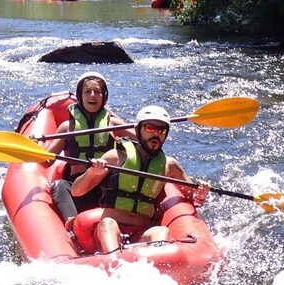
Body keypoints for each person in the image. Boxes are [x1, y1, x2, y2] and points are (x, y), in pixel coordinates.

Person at [70, 105, 209, 253]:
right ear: (138, 130)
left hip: (141, 233)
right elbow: (76, 191)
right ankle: (114, 262)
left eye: (161, 130)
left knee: (159, 231)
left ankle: (154, 266)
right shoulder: (116, 157)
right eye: (150, 128)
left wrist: (200, 192)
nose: (155, 134)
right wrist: (92, 172)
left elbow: (193, 196)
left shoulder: (169, 166)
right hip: (110, 229)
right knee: (108, 224)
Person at [45, 72, 134, 226]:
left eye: (98, 92)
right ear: (80, 95)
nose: (93, 96)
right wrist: (35, 144)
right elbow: (46, 161)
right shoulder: (68, 127)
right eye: (87, 91)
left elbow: (143, 138)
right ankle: (72, 222)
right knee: (59, 186)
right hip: (76, 188)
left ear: (104, 96)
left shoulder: (113, 123)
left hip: (105, 188)